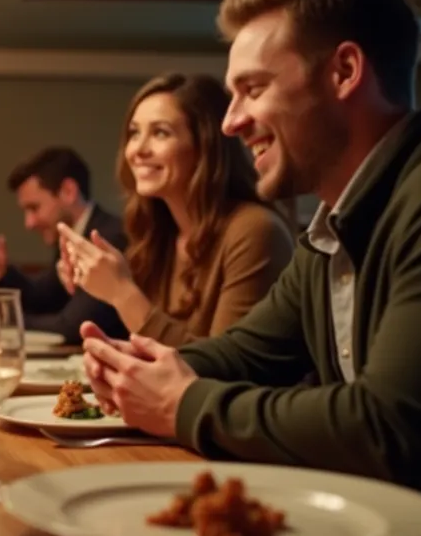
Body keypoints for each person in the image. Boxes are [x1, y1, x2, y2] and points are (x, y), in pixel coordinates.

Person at [79, 0, 421, 536]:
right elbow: (245, 353)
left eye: (253, 88)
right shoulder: (333, 228)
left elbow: (392, 435)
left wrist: (184, 402)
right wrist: (139, 367)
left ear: (345, 72)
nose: (231, 121)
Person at [57, 73, 295, 345]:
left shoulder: (254, 231)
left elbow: (223, 372)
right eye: (135, 133)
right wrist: (94, 287)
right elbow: (150, 342)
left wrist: (120, 293)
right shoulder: (158, 235)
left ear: (204, 146)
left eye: (160, 132)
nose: (138, 150)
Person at [0, 147, 127, 343]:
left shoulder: (107, 239)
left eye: (34, 208)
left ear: (68, 191)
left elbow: (72, 327)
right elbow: (43, 296)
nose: (29, 223)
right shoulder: (72, 234)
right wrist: (2, 274)